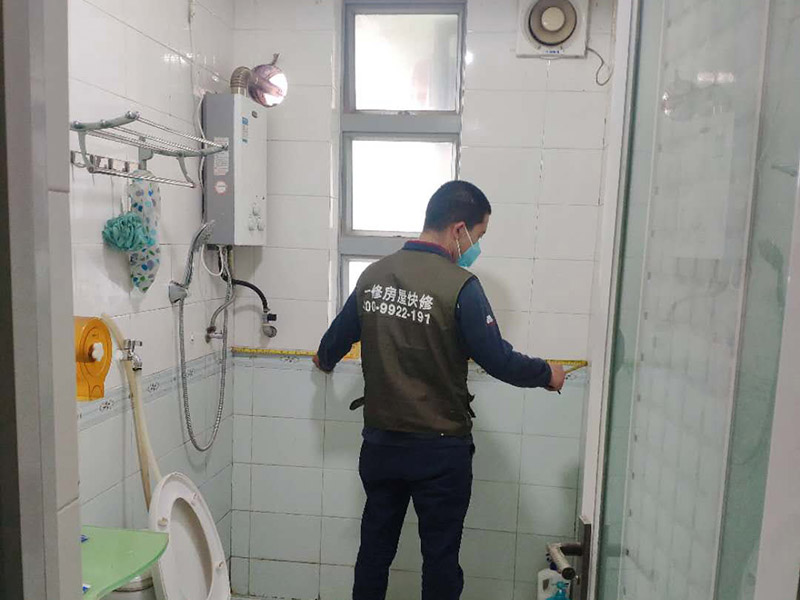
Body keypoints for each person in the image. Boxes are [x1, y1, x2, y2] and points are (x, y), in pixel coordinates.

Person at [313, 180, 566, 600]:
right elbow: (499, 360)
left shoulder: (372, 277)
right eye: (478, 236)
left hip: (381, 446)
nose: (475, 247)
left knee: (374, 551)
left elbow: (330, 346)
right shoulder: (461, 286)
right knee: (440, 558)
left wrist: (324, 362)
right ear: (459, 229)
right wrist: (548, 374)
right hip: (439, 451)